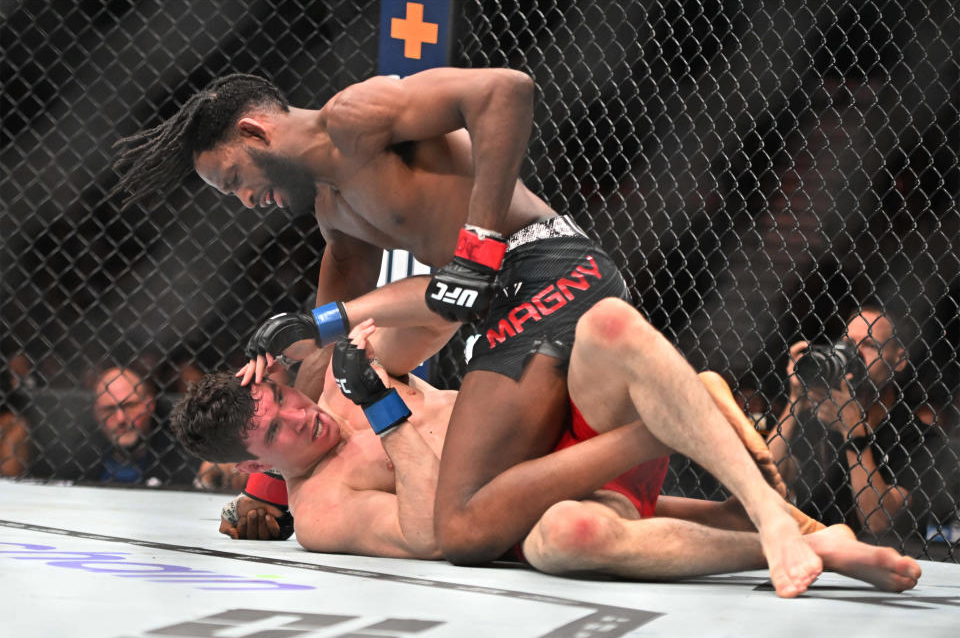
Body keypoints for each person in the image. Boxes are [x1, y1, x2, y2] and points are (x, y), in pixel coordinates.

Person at [114, 69, 819, 594]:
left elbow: (505, 91)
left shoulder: (359, 115)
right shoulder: (335, 213)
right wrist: (271, 485)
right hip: (494, 309)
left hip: (543, 268)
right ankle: (763, 520)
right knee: (386, 371)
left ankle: (676, 424)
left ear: (255, 133)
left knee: (461, 525)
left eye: (234, 178)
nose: (244, 201)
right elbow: (323, 357)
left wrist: (479, 241)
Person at [172, 307, 920, 594]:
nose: (301, 420)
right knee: (568, 536)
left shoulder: (338, 375)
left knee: (607, 324)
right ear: (253, 465)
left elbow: (446, 299)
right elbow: (441, 534)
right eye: (274, 433)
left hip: (566, 425)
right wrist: (387, 407)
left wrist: (338, 321)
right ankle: (795, 537)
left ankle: (765, 510)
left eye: (289, 403)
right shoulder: (326, 511)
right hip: (558, 500)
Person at [767, 305, 945, 536]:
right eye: (849, 343)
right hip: (812, 556)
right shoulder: (819, 417)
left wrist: (853, 432)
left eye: (869, 345)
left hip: (883, 563)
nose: (855, 354)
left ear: (899, 360)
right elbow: (765, 483)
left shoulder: (919, 437)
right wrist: (796, 399)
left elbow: (878, 522)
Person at [89, 367, 197, 485]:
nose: (120, 419)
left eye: (129, 406)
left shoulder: (183, 460)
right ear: (96, 412)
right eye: (109, 409)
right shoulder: (79, 460)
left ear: (149, 405)